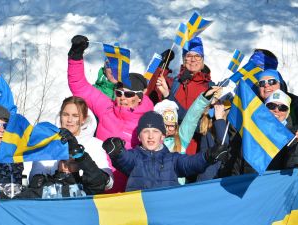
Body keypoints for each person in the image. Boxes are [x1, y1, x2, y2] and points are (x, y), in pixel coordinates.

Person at [67, 35, 154, 192]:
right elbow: (80, 87)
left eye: (128, 95)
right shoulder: (107, 108)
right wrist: (75, 56)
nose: (122, 98)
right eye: (119, 93)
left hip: (131, 191)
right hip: (100, 185)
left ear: (139, 97)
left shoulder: (149, 120)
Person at [102, 111, 228, 192]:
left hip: (167, 213)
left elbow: (190, 163)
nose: (150, 136)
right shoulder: (134, 157)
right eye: (146, 132)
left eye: (155, 132)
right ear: (139, 137)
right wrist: (117, 152)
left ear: (162, 136)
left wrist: (207, 156)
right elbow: (125, 160)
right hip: (139, 214)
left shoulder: (173, 159)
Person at [0, 129, 111, 199]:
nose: (66, 165)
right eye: (64, 160)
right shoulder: (44, 186)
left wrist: (78, 152)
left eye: (72, 162)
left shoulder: (85, 187)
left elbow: (97, 180)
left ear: (80, 165)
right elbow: (15, 206)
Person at [29, 96, 113, 191]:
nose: (69, 120)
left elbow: (108, 183)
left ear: (83, 119)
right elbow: (35, 178)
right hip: (54, 199)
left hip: (86, 200)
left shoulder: (95, 144)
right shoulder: (48, 143)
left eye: (75, 116)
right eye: (65, 115)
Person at [226, 90, 298, 175]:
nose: (276, 110)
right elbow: (238, 166)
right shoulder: (252, 131)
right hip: (250, 185)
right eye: (271, 106)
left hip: (277, 185)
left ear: (288, 112)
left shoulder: (293, 135)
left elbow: (293, 167)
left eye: (283, 107)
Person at [156, 37, 213, 155]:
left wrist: (168, 96)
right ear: (183, 59)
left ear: (202, 60)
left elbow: (203, 126)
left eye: (197, 56)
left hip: (196, 151)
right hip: (170, 148)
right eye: (188, 56)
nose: (193, 60)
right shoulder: (175, 83)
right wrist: (161, 67)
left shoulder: (210, 88)